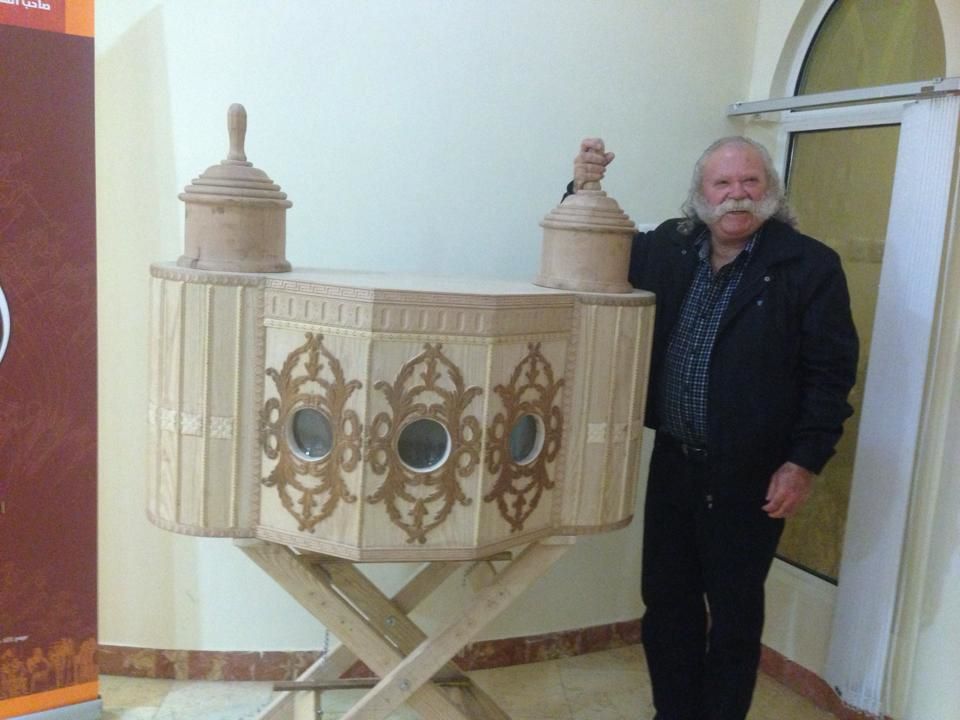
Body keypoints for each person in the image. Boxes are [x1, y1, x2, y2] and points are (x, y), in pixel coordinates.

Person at [567, 136, 859, 720]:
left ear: (770, 190)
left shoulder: (809, 266)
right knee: (667, 603)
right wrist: (583, 187)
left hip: (752, 474)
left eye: (750, 182)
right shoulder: (671, 248)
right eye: (722, 183)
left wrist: (803, 462)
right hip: (674, 461)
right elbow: (599, 247)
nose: (736, 195)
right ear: (700, 194)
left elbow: (830, 376)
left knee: (733, 614)